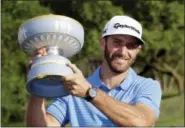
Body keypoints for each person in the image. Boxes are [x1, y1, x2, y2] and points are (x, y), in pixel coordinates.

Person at [26, 15, 162, 127]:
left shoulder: (148, 86)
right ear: (103, 44)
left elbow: (141, 122)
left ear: (138, 50)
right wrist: (38, 83)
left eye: (131, 46)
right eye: (117, 42)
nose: (123, 51)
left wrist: (89, 93)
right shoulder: (74, 88)